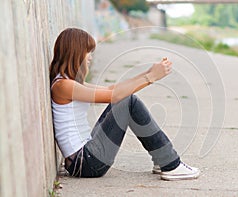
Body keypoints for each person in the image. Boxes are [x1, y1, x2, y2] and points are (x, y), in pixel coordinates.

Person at [49, 27, 200, 181]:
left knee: (126, 99)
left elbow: (111, 89)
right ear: (76, 52)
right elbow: (114, 96)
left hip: (85, 158)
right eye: (88, 52)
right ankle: (171, 164)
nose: (90, 57)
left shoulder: (68, 82)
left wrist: (148, 73)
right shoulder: (63, 86)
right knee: (128, 101)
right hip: (86, 163)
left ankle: (163, 159)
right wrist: (151, 78)